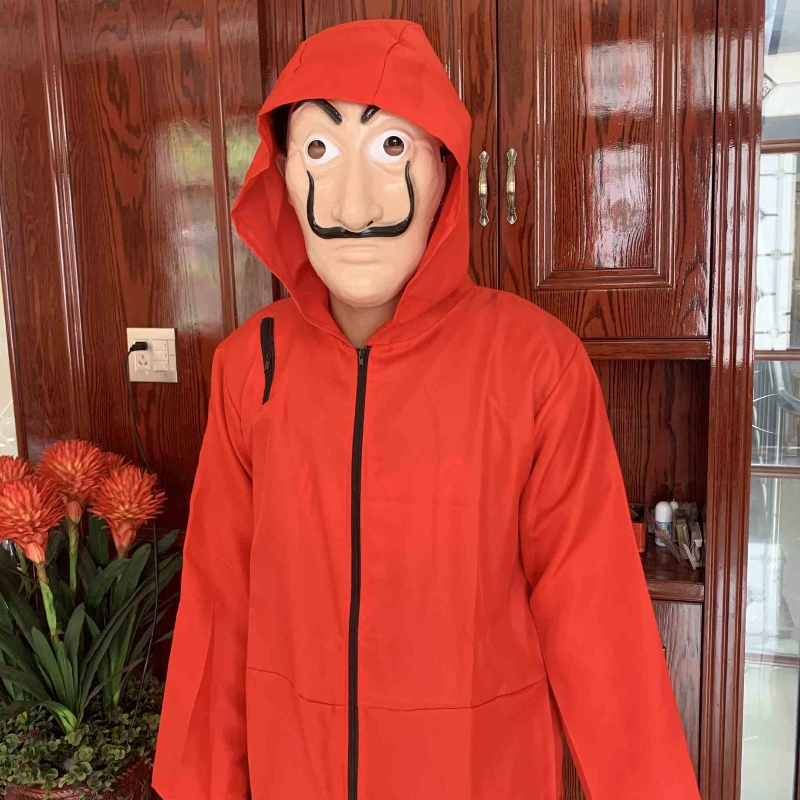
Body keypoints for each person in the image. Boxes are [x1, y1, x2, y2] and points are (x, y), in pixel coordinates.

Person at [151, 17, 700, 800]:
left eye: (391, 147)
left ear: (445, 171)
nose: (353, 202)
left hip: (478, 776)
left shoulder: (535, 365)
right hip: (295, 773)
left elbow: (600, 627)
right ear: (283, 178)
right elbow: (218, 611)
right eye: (318, 150)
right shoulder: (251, 366)